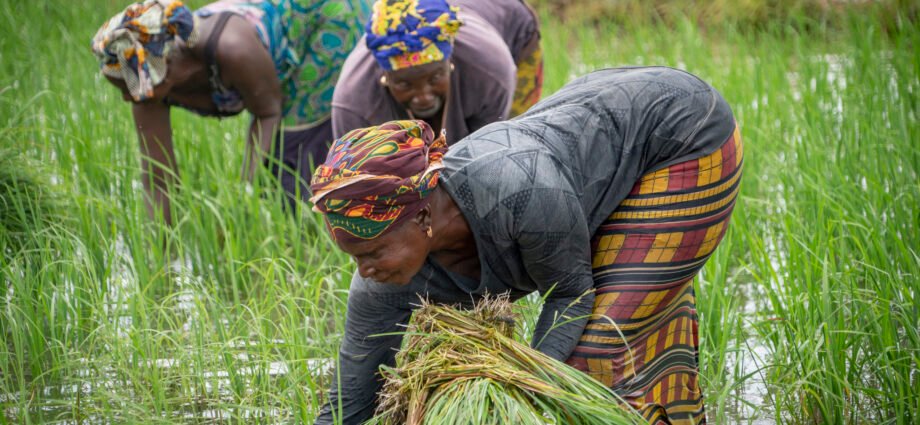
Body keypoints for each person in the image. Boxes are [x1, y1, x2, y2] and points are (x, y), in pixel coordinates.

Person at [310, 67, 743, 424]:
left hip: (682, 134)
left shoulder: (516, 190)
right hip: (588, 169)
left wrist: (523, 391)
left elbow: (571, 295)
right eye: (355, 258)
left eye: (372, 253)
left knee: (593, 352)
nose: (364, 270)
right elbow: (350, 399)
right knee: (621, 322)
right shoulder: (382, 283)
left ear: (422, 216)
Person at [92, 0, 370, 222]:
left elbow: (267, 112)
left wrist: (241, 192)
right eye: (123, 88)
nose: (129, 98)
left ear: (164, 71)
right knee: (272, 184)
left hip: (325, 19)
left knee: (292, 162)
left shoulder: (231, 48)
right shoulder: (146, 90)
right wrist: (161, 253)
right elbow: (157, 177)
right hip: (271, 55)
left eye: (130, 88)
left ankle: (328, 227)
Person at [330, 0, 542, 146]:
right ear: (385, 77)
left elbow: (491, 156)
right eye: (404, 85)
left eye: (434, 78)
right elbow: (356, 183)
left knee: (516, 142)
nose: (423, 96)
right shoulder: (353, 103)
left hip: (512, 30)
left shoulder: (489, 73)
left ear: (449, 62)